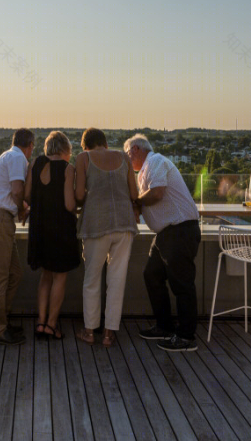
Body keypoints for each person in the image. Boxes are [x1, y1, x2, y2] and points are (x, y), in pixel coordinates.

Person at [125, 133, 201, 352]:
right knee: (152, 275)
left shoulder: (156, 161)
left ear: (136, 149)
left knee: (182, 284)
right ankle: (164, 326)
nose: (127, 159)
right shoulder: (145, 172)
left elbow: (157, 192)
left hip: (179, 230)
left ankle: (186, 337)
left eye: (128, 153)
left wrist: (136, 201)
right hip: (166, 234)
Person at [75, 128, 139, 348]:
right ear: (104, 143)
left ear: (86, 145)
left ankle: (90, 331)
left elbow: (78, 196)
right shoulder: (123, 157)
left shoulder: (84, 158)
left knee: (92, 279)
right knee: (117, 279)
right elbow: (134, 194)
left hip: (97, 224)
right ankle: (109, 334)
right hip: (124, 223)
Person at [24, 131, 79, 340]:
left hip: (39, 228)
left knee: (45, 276)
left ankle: (40, 322)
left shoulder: (36, 163)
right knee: (59, 278)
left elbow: (28, 195)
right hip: (61, 229)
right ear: (66, 149)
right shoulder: (68, 168)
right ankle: (52, 325)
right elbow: (69, 204)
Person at [0, 129, 34, 345]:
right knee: (0, 276)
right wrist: (23, 208)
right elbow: (16, 189)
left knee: (15, 273)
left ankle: (1, 321)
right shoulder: (17, 158)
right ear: (29, 145)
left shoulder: (9, 156)